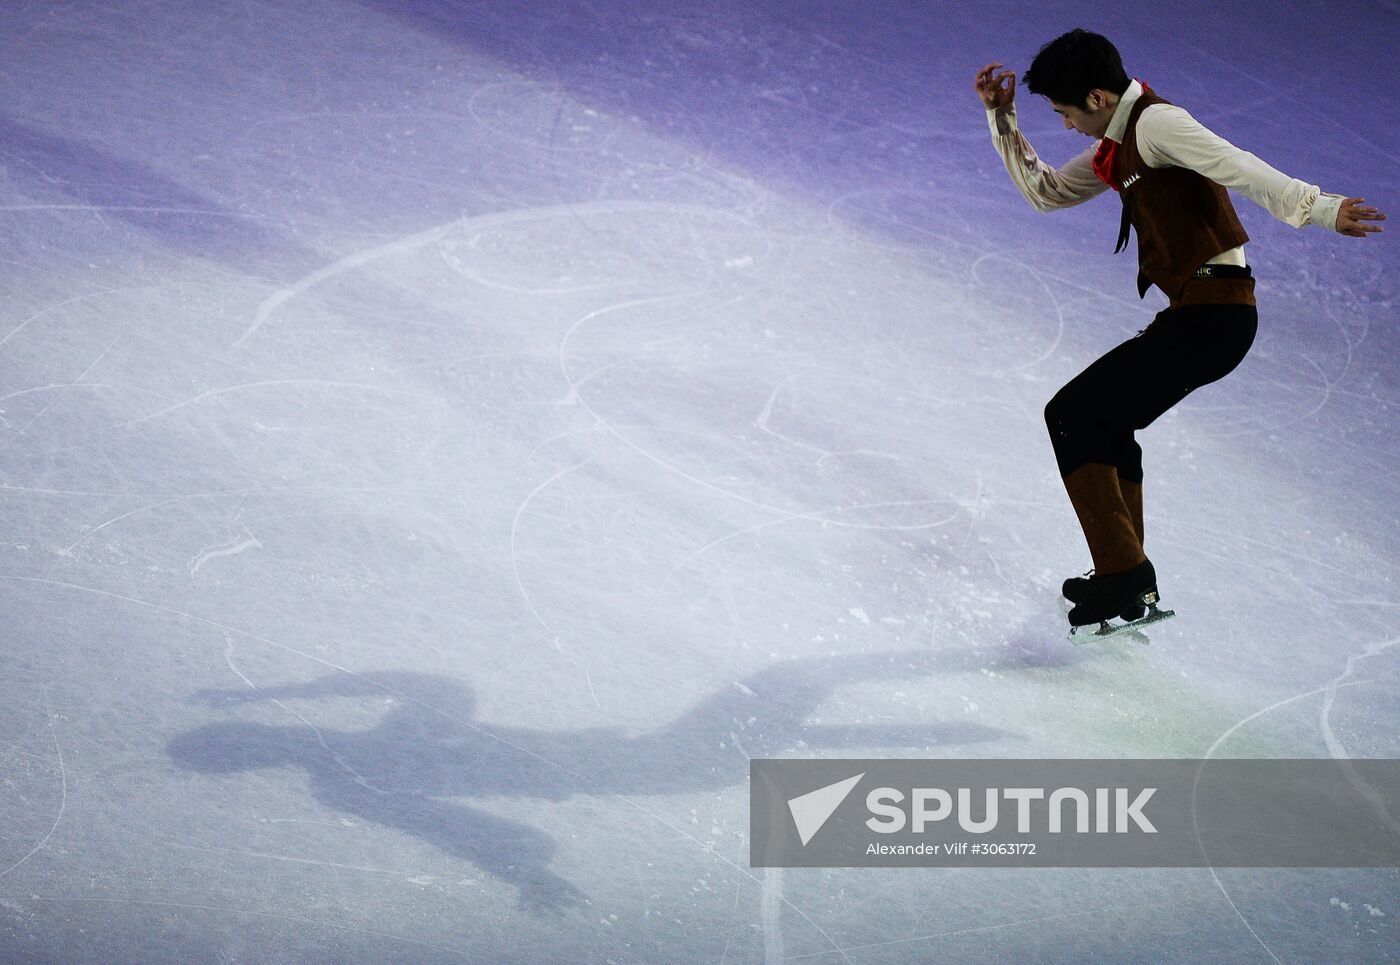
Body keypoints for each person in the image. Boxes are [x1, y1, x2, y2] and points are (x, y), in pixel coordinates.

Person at [972, 29, 1386, 631]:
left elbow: (1235, 164)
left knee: (1071, 414)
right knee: (1104, 421)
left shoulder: (1156, 125)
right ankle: (1128, 577)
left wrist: (1318, 207)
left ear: (1097, 97)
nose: (1064, 126)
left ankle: (1123, 575)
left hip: (1215, 314)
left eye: (1064, 113)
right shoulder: (1117, 146)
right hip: (1203, 312)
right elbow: (1048, 193)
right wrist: (1002, 120)